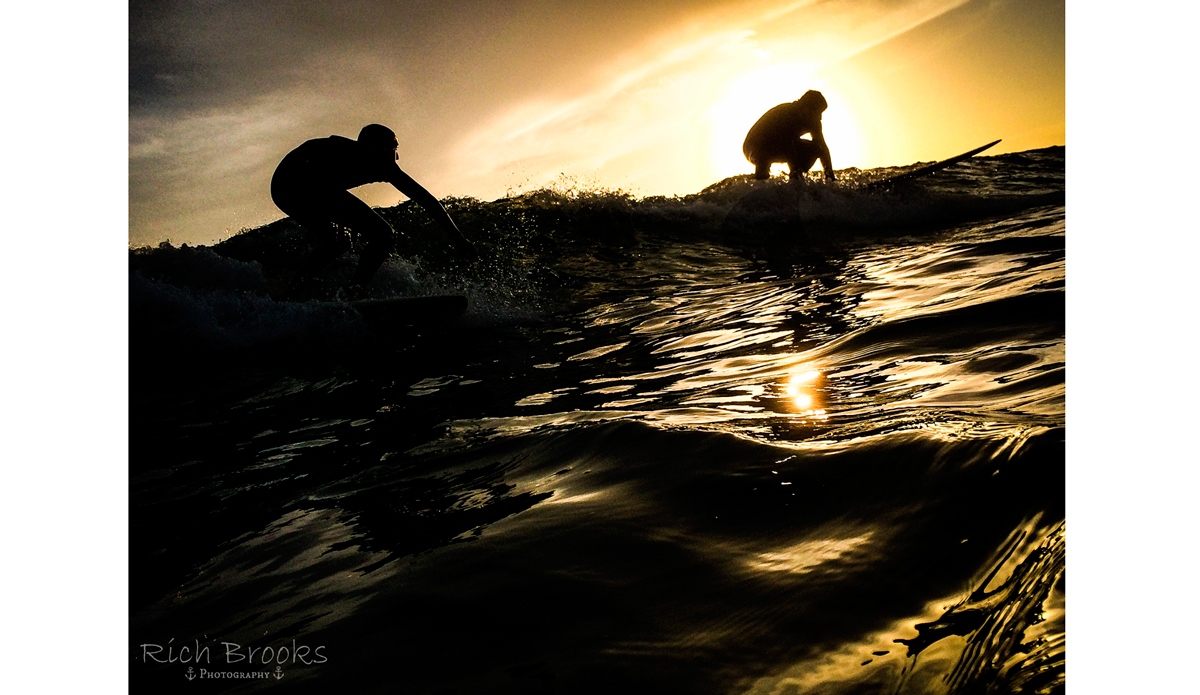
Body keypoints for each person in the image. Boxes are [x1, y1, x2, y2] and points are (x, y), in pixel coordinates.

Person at [271, 123, 477, 301]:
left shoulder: (351, 153)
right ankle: (353, 294)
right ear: (382, 146)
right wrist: (458, 238)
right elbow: (424, 198)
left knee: (337, 241)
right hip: (303, 180)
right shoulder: (375, 157)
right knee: (383, 235)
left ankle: (289, 297)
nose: (396, 156)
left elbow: (330, 181)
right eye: (394, 148)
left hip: (282, 188)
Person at [742, 90, 834, 182]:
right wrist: (795, 173)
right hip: (754, 146)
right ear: (806, 108)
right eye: (818, 112)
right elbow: (788, 146)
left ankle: (799, 178)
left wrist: (830, 176)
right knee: (770, 154)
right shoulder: (787, 113)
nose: (820, 117)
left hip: (782, 145)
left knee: (817, 148)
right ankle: (761, 182)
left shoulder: (814, 121)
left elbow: (823, 147)